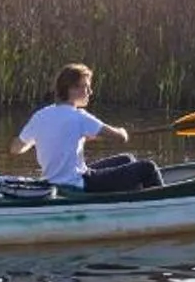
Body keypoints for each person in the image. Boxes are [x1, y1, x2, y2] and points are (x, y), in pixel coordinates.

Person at [13, 63, 159, 190]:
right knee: (148, 167)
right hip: (79, 182)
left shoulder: (40, 115)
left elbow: (15, 149)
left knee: (127, 159)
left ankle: (126, 198)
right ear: (72, 89)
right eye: (86, 87)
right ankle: (160, 201)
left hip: (52, 180)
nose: (90, 92)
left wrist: (44, 141)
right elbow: (120, 138)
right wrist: (123, 131)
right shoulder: (79, 116)